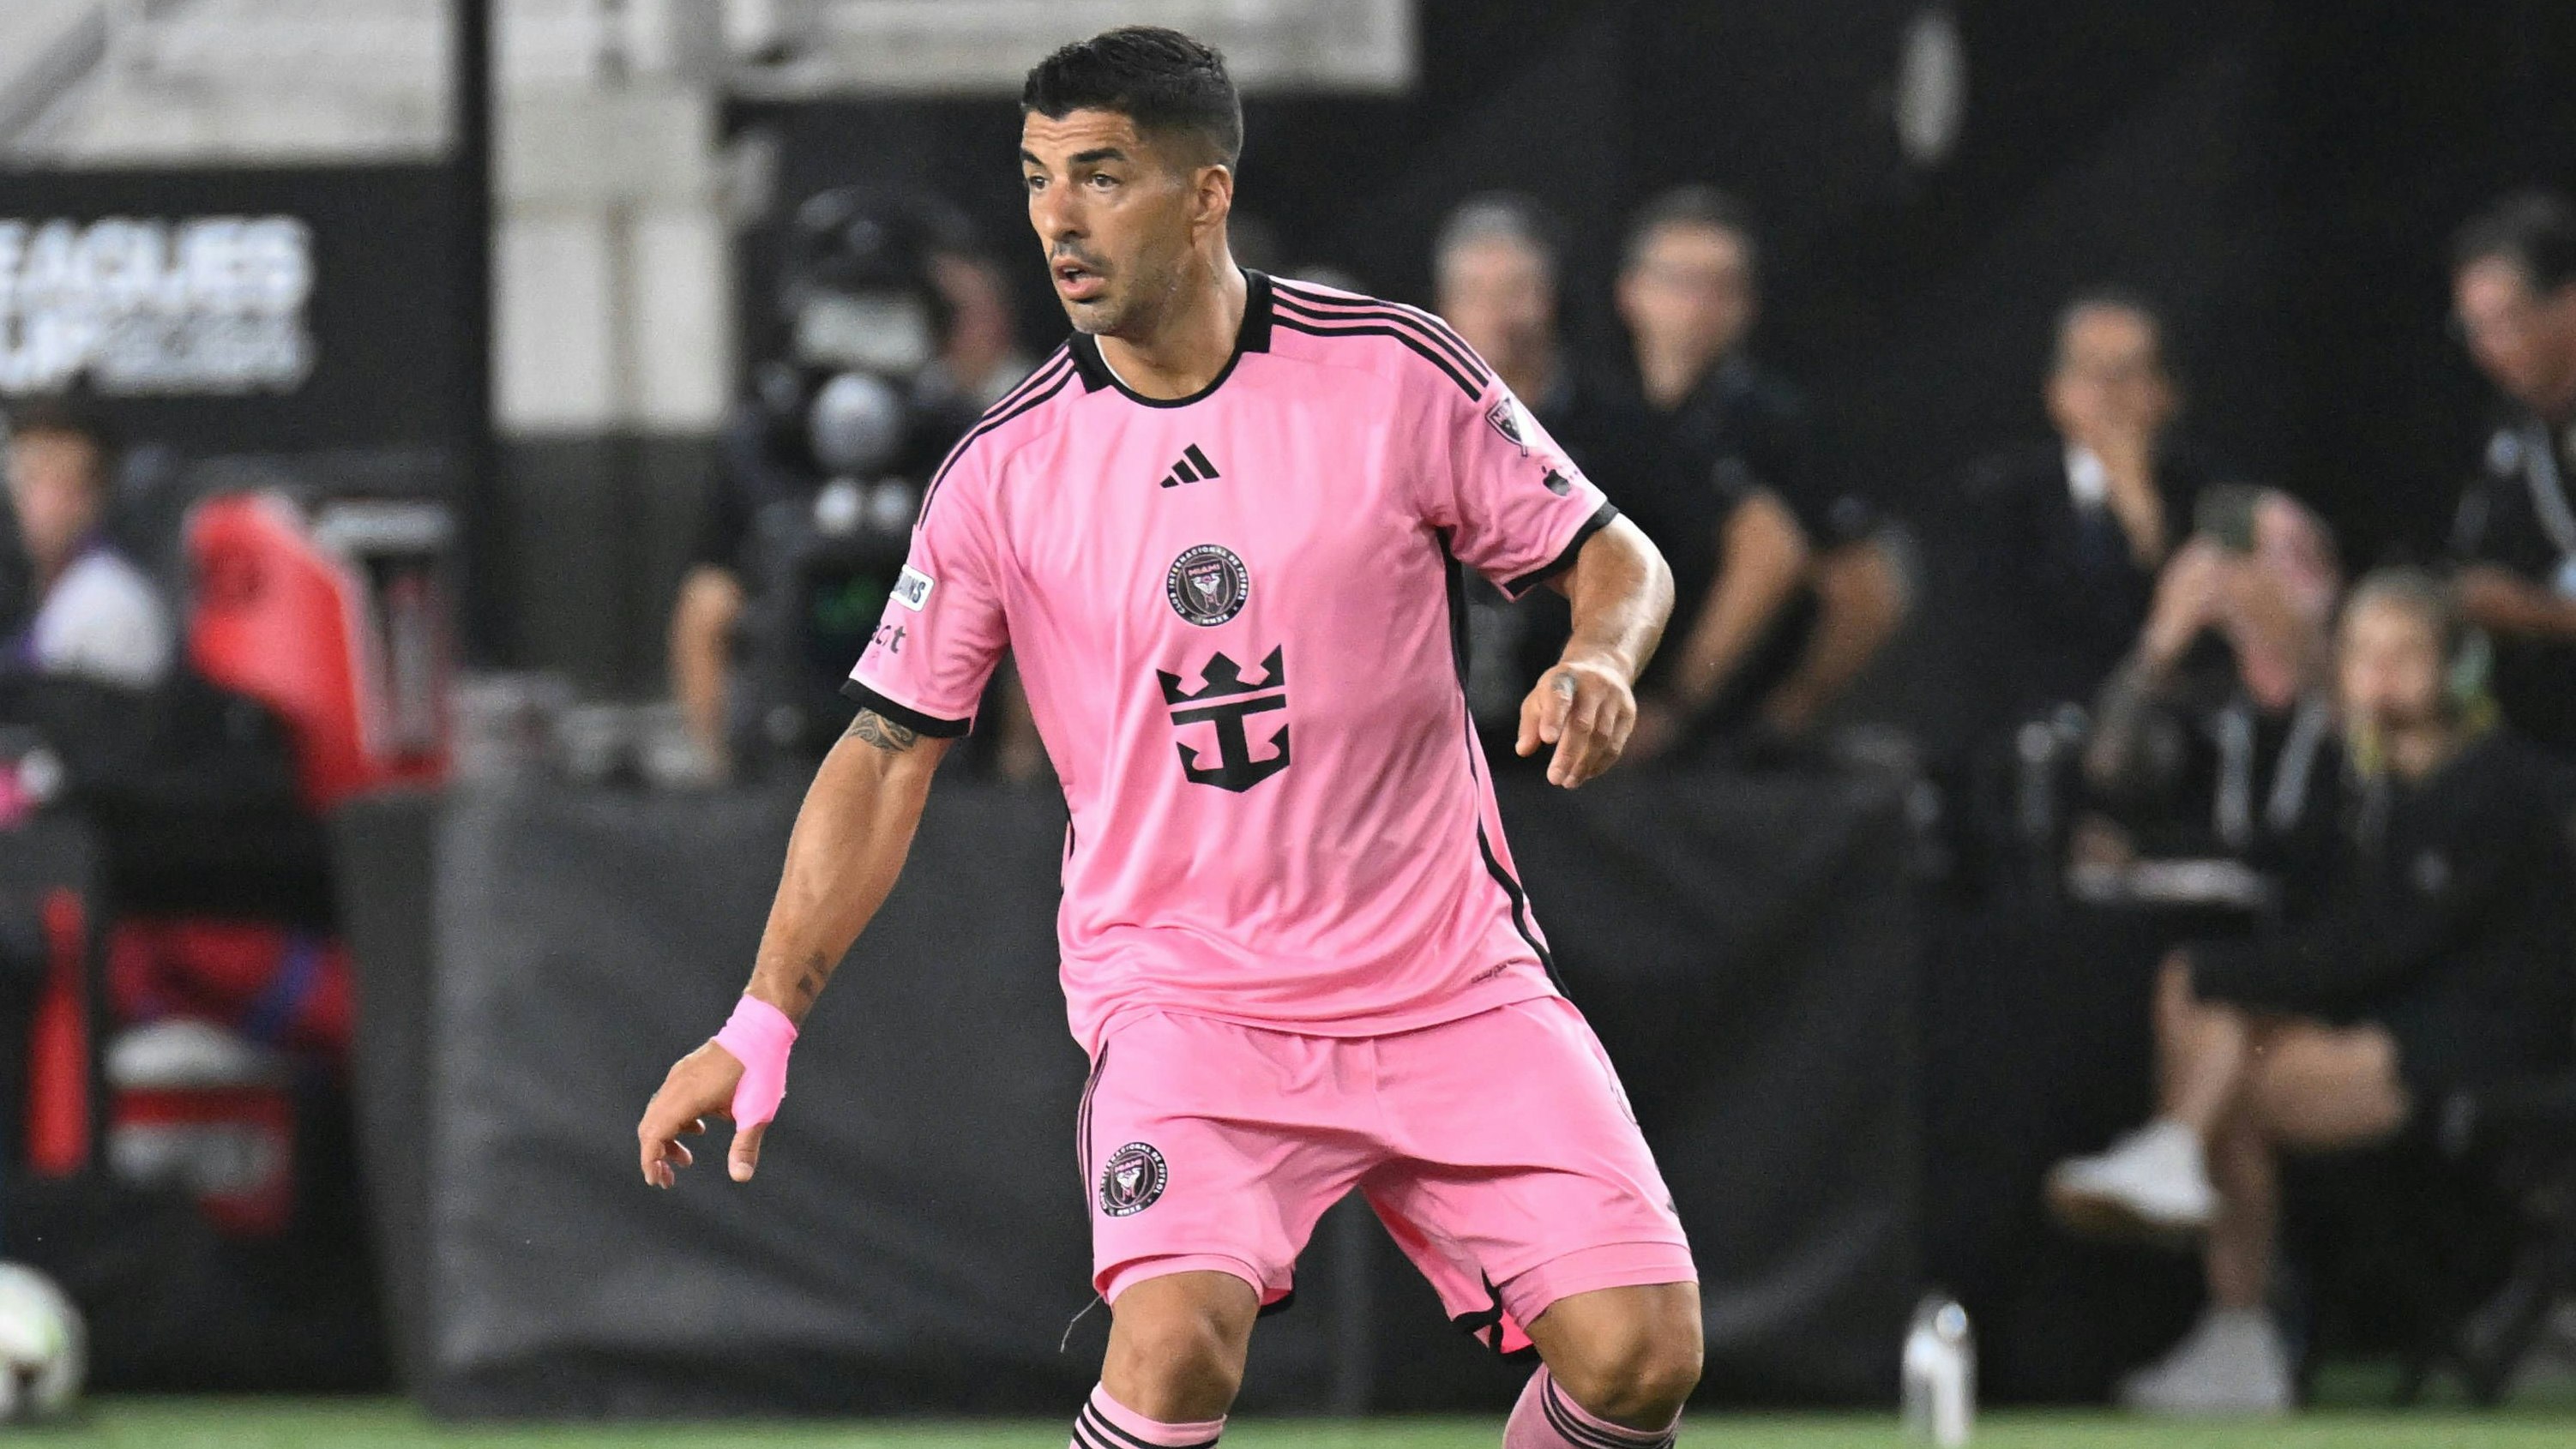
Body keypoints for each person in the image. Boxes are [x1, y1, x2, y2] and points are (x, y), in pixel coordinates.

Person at [637, 26, 1702, 1449]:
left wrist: (1596, 658)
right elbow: (885, 750)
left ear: (1204, 195)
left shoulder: (1388, 375)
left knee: (1639, 1353)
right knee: (1172, 1349)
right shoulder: (1003, 472)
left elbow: (1616, 558)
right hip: (1188, 1004)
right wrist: (759, 1019)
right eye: (1035, 180)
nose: (1057, 221)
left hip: (1446, 976)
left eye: (1099, 177)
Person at [2046, 570, 2576, 1416]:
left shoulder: (2496, 785)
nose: (2382, 675)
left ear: (2455, 668)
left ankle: (2190, 1178)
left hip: (2483, 1046)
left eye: (2405, 653)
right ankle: (2226, 1302)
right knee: (2222, 1036)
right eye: (2363, 654)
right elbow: (2291, 875)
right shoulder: (2361, 784)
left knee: (2225, 1061)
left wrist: (2219, 976)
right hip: (2391, 1022)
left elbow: (2386, 947)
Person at [1611, 187, 1909, 759]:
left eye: (1721, 286)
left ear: (1748, 303)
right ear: (1632, 292)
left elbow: (1862, 585)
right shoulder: (1601, 417)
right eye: (1680, 282)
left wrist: (1752, 713)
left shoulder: (1780, 427)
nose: (1699, 305)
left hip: (1718, 744)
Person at [1429, 194, 1690, 742]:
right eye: (1476, 294)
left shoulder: (1624, 430)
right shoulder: (1406, 431)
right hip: (1439, 744)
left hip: (1579, 739)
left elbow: (1687, 560)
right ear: (1442, 307)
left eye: (1516, 292)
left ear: (1551, 298)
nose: (1500, 316)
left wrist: (1674, 700)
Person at [1960, 291, 2207, 727]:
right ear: (2056, 392)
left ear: (2166, 393)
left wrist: (2143, 517)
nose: (2109, 392)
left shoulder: (2203, 494)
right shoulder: (2004, 495)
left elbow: (2207, 648)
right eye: (2090, 371)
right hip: (2042, 727)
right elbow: (1996, 638)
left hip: (2172, 727)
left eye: (2128, 372)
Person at [2075, 489, 2342, 880]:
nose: (2228, 577)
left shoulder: (2345, 693)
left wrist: (2295, 621)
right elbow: (2107, 766)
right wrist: (2158, 646)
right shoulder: (2208, 698)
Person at [2446, 190, 2576, 754]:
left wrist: (2534, 614)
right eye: (2472, 329)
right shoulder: (2510, 431)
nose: (2488, 349)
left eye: (2504, 320)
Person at [2, 397, 171, 690]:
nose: (38, 505)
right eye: (28, 480)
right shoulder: (41, 591)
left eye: (60, 485)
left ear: (93, 496)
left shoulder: (109, 603)